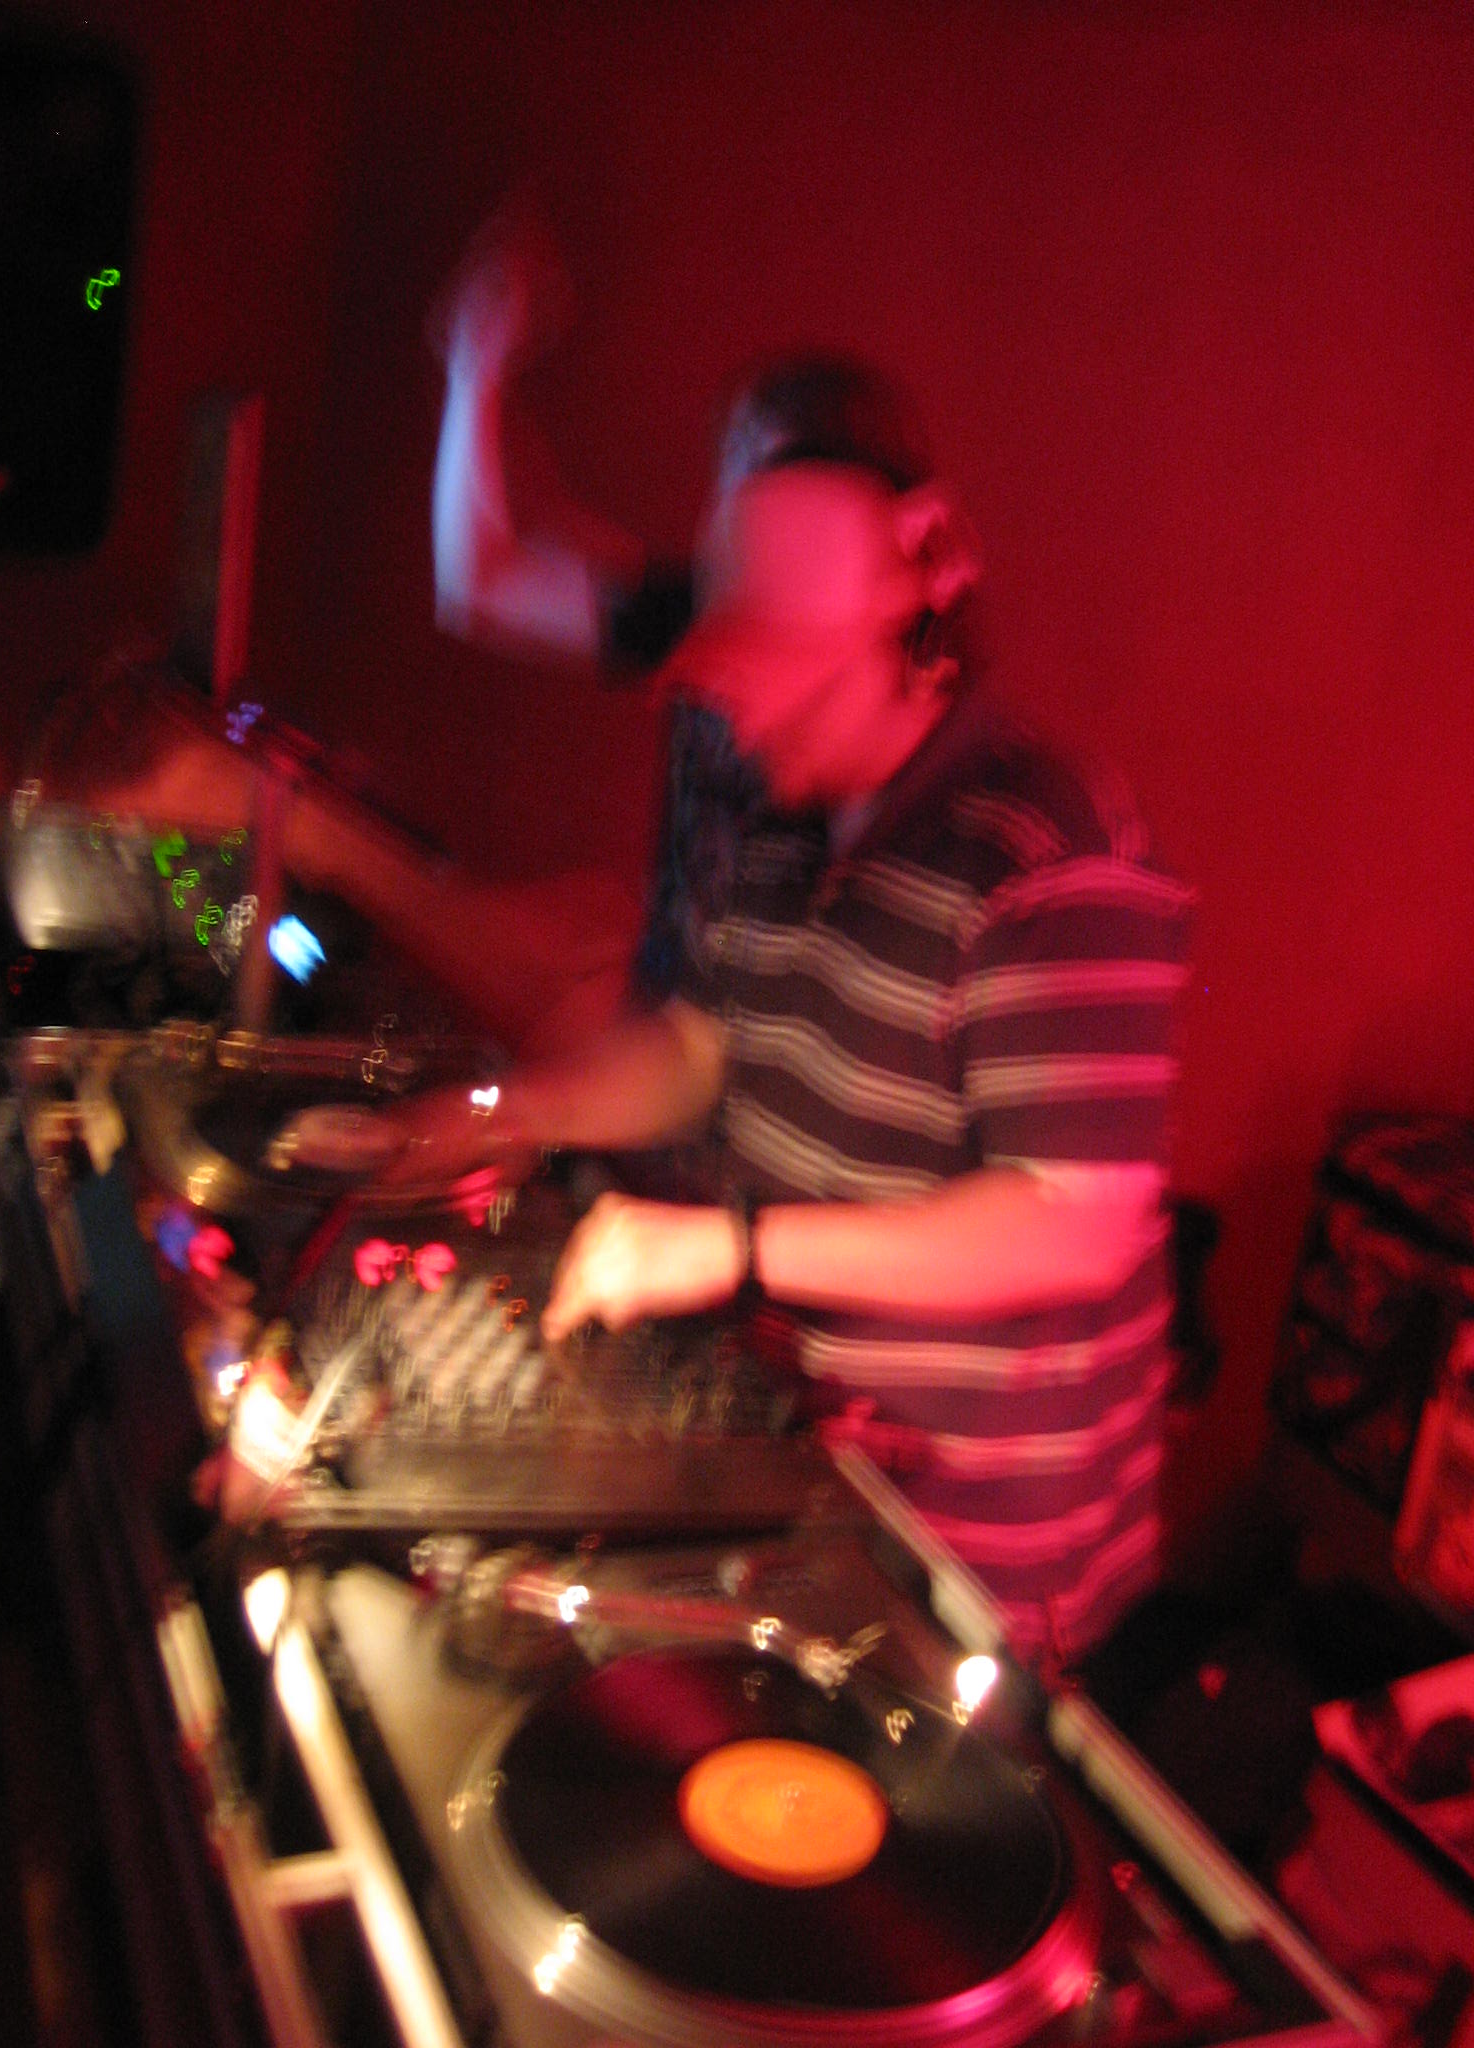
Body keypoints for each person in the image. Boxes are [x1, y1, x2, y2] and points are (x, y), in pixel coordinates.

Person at [385, 215, 1194, 1667]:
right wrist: (512, 1110)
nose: (740, 720)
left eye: (777, 682)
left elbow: (1075, 1221)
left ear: (904, 655)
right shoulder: (780, 823)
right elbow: (704, 1052)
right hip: (822, 1485)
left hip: (983, 1571)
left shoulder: (1051, 848)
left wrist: (732, 1248)